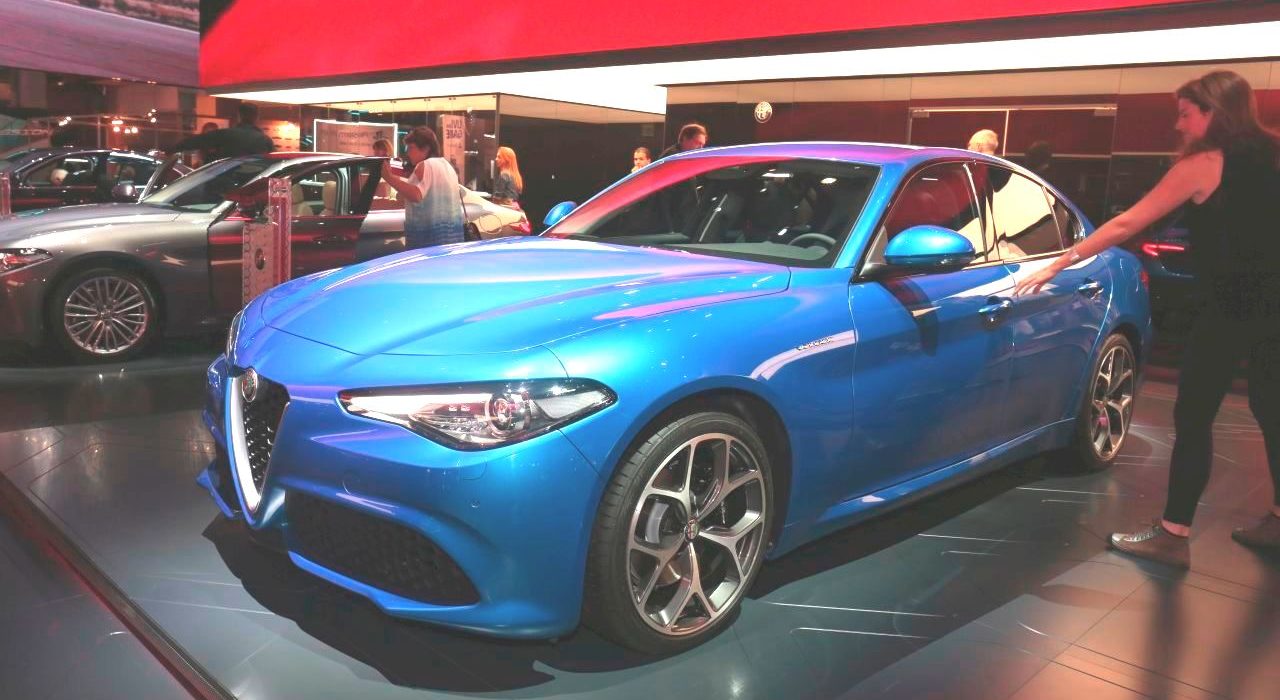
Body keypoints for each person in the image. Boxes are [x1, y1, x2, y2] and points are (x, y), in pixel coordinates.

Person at [1013, 70, 1280, 568]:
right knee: (1273, 411)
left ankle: (1173, 534)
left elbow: (1129, 222)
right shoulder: (1273, 153)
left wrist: (1059, 262)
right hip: (1274, 306)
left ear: (1213, 113)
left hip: (1227, 308)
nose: (1179, 125)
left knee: (1194, 417)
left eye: (1186, 114)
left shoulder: (1205, 163)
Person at [379, 126, 465, 248]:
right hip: (451, 243)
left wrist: (389, 178)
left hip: (427, 243)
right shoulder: (446, 165)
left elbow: (416, 195)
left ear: (425, 148)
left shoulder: (426, 165)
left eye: (411, 147)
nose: (408, 152)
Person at [172, 103, 274, 158]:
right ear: (256, 117)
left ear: (239, 116)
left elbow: (195, 142)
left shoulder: (226, 134)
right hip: (254, 183)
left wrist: (171, 150)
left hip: (228, 181)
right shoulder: (265, 140)